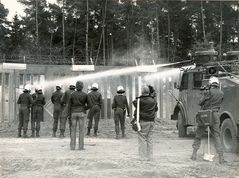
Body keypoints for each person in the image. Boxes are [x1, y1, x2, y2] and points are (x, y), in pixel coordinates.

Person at [191, 76, 225, 164]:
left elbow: (200, 102)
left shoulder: (208, 92)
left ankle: (194, 154)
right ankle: (221, 157)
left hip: (206, 114)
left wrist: (204, 94)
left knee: (199, 134)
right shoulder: (221, 93)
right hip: (216, 114)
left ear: (210, 84)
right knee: (217, 136)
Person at [132, 85, 158, 161]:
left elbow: (134, 102)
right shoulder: (153, 100)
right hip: (151, 122)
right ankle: (150, 156)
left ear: (142, 92)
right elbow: (156, 109)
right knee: (150, 139)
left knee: (142, 139)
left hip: (143, 122)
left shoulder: (140, 101)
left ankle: (143, 157)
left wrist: (140, 97)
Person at [68, 81, 88, 150]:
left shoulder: (72, 94)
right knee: (81, 130)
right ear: (82, 86)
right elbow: (89, 104)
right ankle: (81, 146)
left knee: (73, 130)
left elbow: (69, 105)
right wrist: (84, 108)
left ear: (76, 86)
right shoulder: (85, 95)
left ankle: (72, 146)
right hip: (81, 112)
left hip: (73, 112)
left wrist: (69, 114)